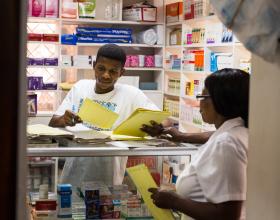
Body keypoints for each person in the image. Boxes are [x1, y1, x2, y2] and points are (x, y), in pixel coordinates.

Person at [49, 44, 159, 197]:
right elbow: (53, 122)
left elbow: (160, 120)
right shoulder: (80, 87)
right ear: (94, 66)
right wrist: (64, 120)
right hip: (74, 175)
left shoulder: (131, 94)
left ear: (122, 72)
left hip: (109, 177)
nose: (106, 75)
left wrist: (146, 127)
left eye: (113, 71)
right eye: (101, 68)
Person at [145, 68, 250, 220]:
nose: (198, 104)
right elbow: (214, 136)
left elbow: (226, 215)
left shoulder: (227, 143)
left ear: (220, 100)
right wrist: (181, 136)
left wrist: (173, 200)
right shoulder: (239, 131)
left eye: (202, 96)